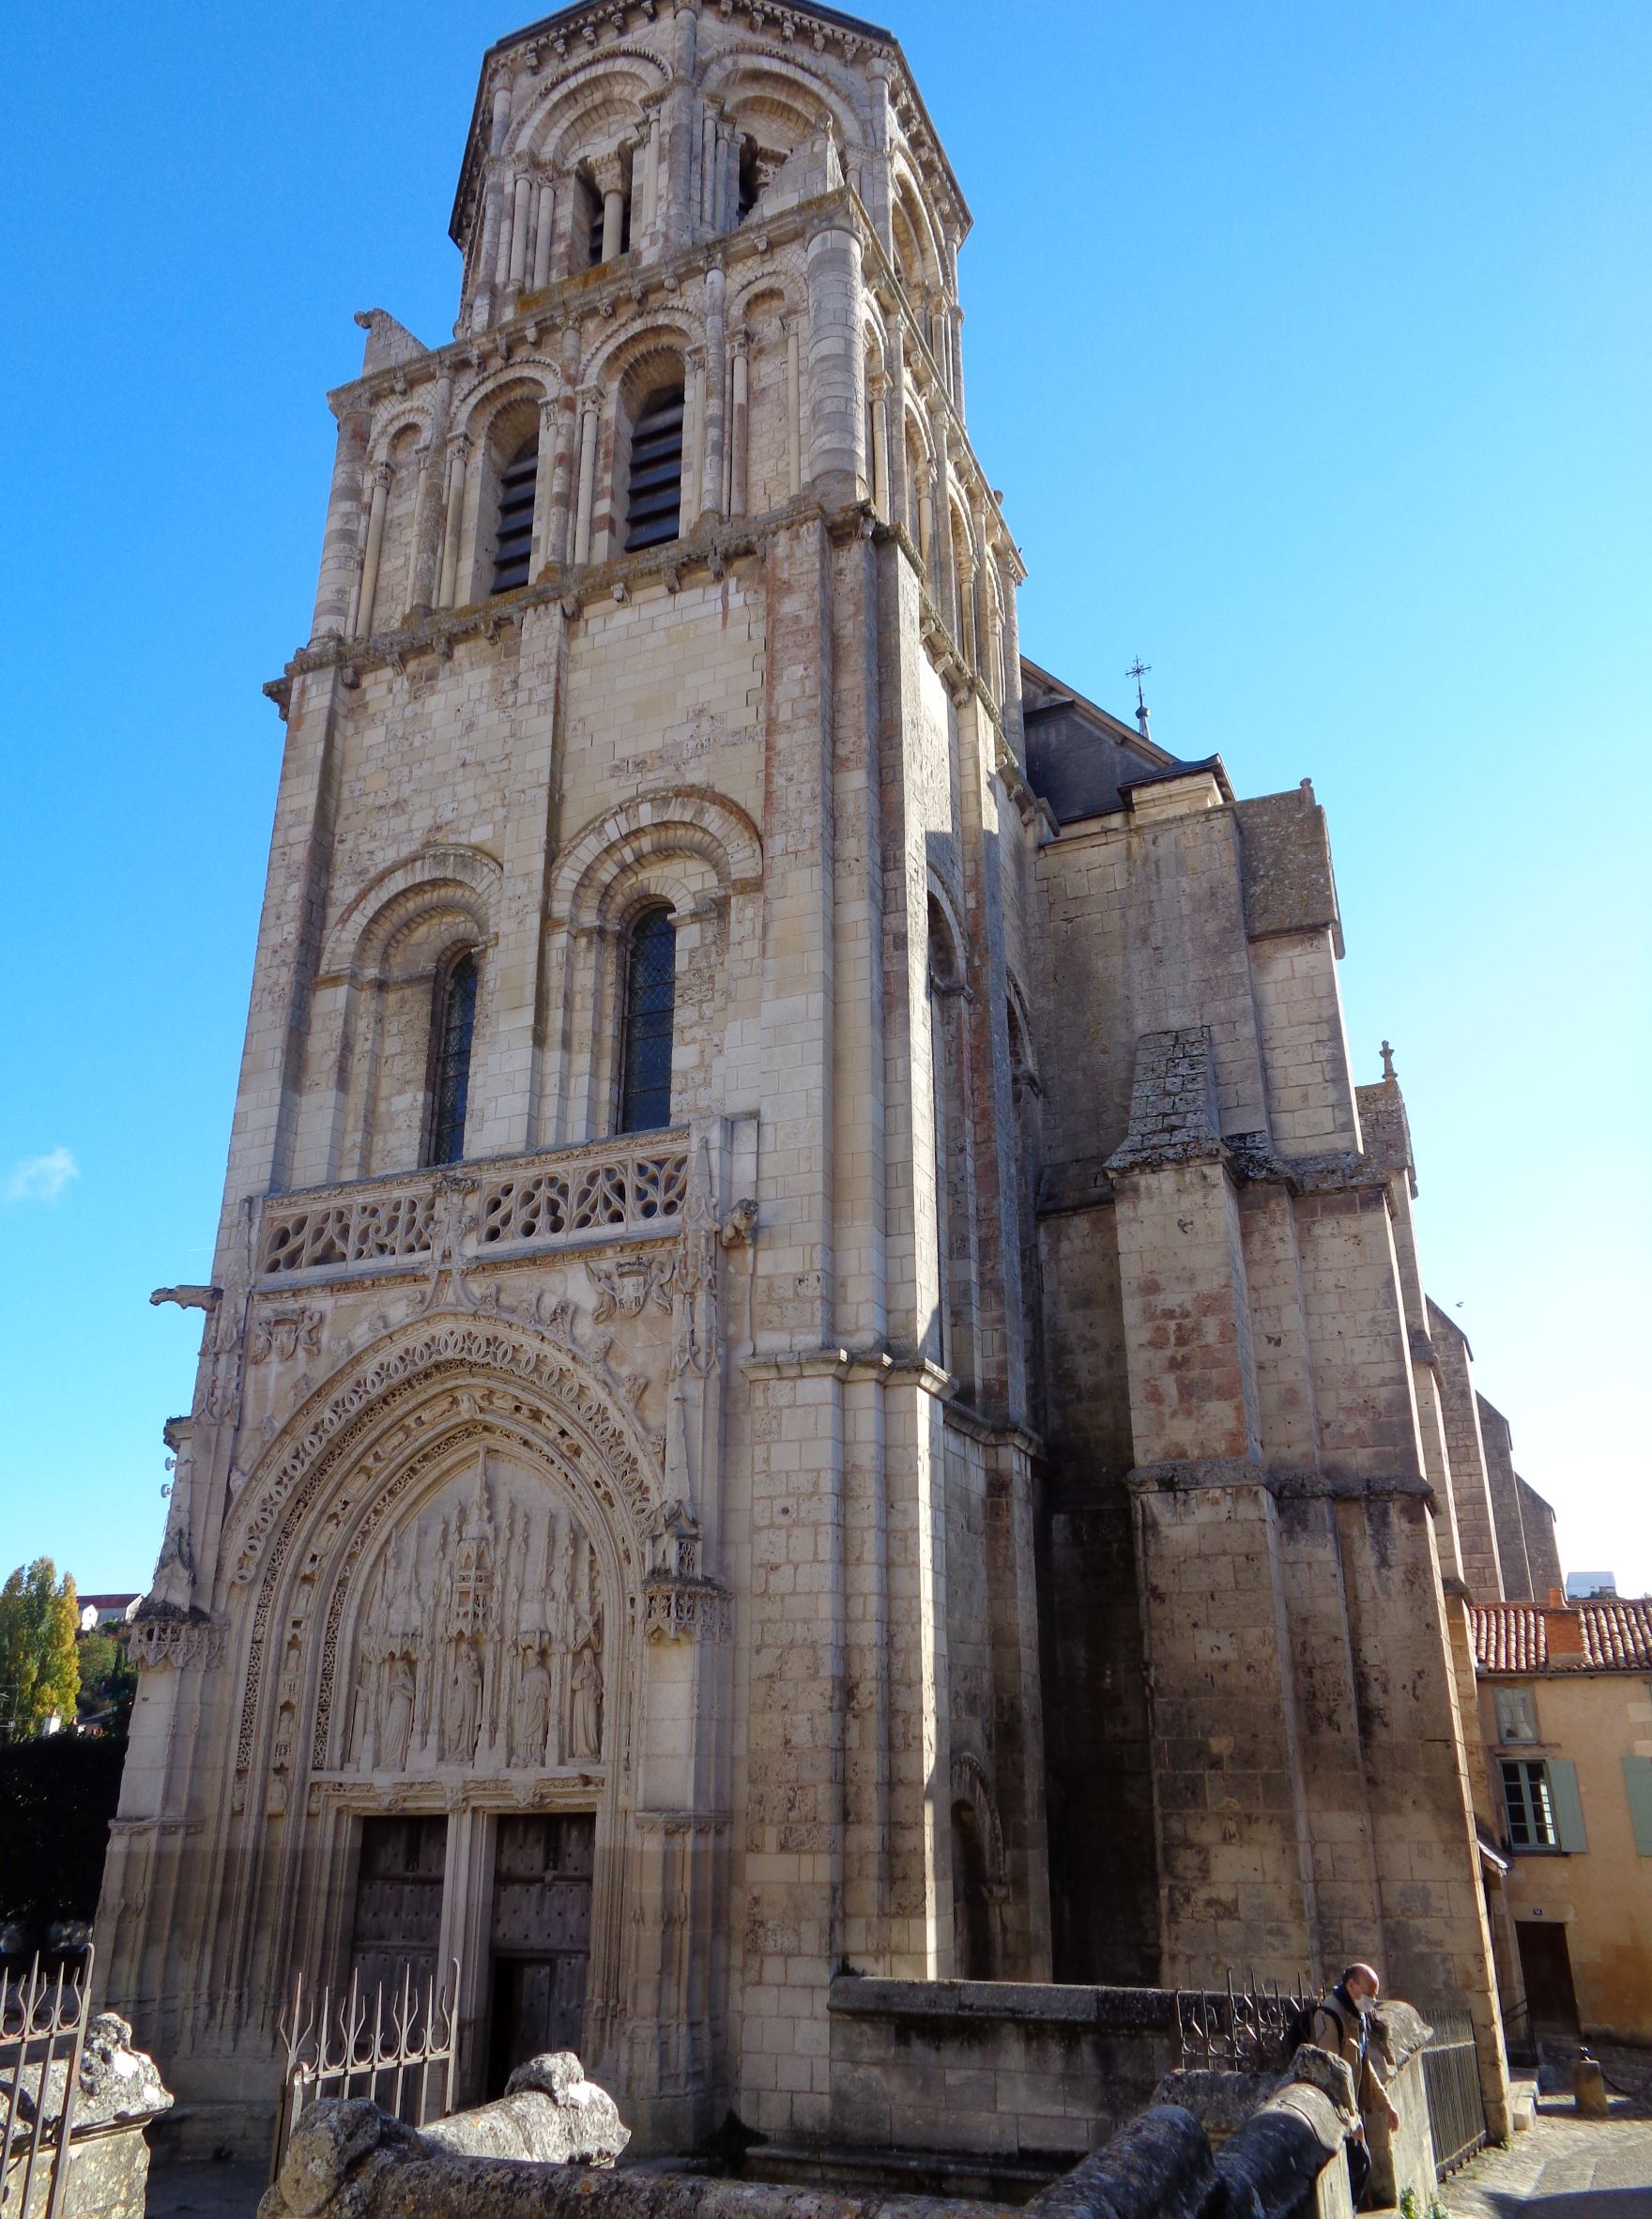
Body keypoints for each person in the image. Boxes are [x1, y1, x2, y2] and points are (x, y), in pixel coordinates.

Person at [1311, 1962, 1400, 2211]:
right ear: (1352, 1986)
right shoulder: (1330, 2015)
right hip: (1338, 2114)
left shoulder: (1356, 2016)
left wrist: (1387, 2106)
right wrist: (1352, 2119)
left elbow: (1364, 2066)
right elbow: (1331, 2072)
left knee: (1359, 2167)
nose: (1373, 2000)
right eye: (1370, 1994)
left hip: (1352, 2112)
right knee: (1359, 2165)